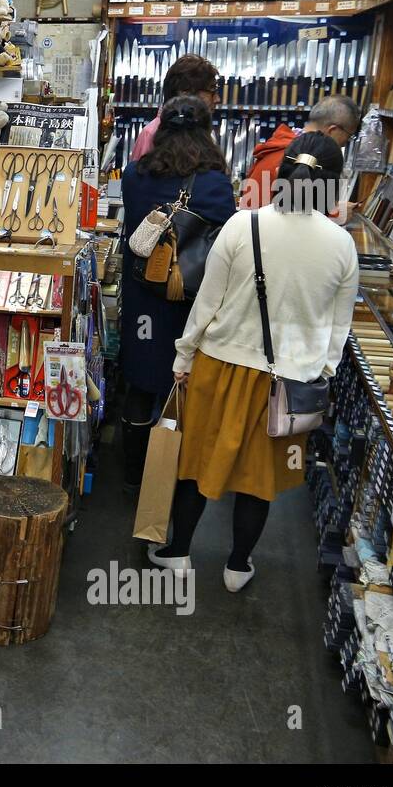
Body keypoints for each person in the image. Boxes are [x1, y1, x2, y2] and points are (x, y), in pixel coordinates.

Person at [152, 131, 358, 591]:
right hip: (287, 382)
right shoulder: (341, 246)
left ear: (283, 173)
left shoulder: (244, 225)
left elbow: (207, 302)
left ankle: (179, 552)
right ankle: (238, 566)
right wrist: (320, 373)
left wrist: (184, 356)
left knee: (195, 463)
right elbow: (337, 328)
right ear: (332, 184)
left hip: (221, 365)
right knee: (257, 478)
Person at [119, 95, 236, 490]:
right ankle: (172, 474)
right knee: (181, 384)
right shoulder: (217, 184)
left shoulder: (134, 176)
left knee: (140, 379)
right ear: (206, 132)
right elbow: (225, 246)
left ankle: (134, 473)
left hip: (143, 296)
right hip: (192, 299)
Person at [241, 95, 362, 212]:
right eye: (348, 136)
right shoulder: (292, 159)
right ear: (332, 130)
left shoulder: (287, 152)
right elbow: (289, 220)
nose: (344, 144)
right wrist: (335, 216)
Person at [130, 55, 220, 162]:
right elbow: (139, 177)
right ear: (185, 93)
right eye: (211, 91)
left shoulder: (207, 134)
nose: (217, 99)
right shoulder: (151, 134)